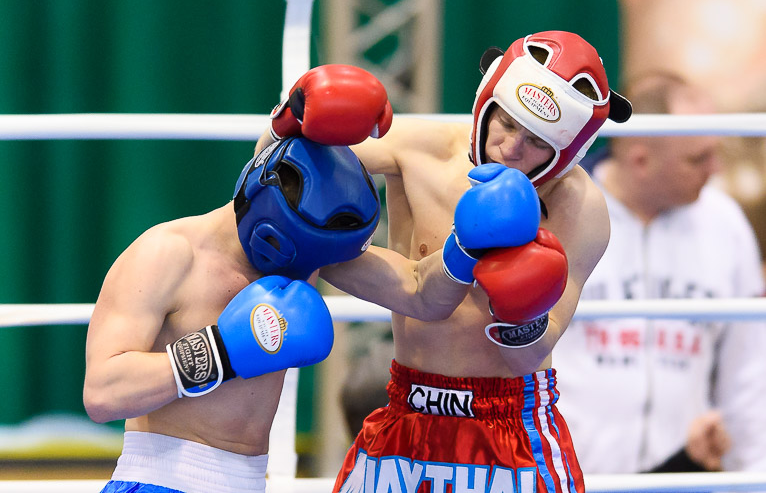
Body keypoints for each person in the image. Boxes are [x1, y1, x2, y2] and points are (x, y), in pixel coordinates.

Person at [267, 30, 631, 493]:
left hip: (509, 425)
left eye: (537, 141)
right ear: (487, 103)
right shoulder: (421, 149)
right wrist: (289, 119)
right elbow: (269, 181)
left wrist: (518, 303)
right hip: (407, 409)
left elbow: (533, 353)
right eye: (507, 123)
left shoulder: (579, 208)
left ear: (568, 151)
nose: (512, 148)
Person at [82, 64, 465, 493]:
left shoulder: (309, 249)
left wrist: (467, 245)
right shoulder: (167, 254)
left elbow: (421, 294)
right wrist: (221, 351)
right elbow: (103, 393)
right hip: (159, 480)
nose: (309, 272)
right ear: (269, 233)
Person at [553, 72, 766, 474]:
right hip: (571, 475)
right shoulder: (559, 214)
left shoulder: (727, 225)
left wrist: (754, 476)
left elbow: (749, 373)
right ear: (640, 160)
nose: (716, 169)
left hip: (685, 474)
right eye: (697, 159)